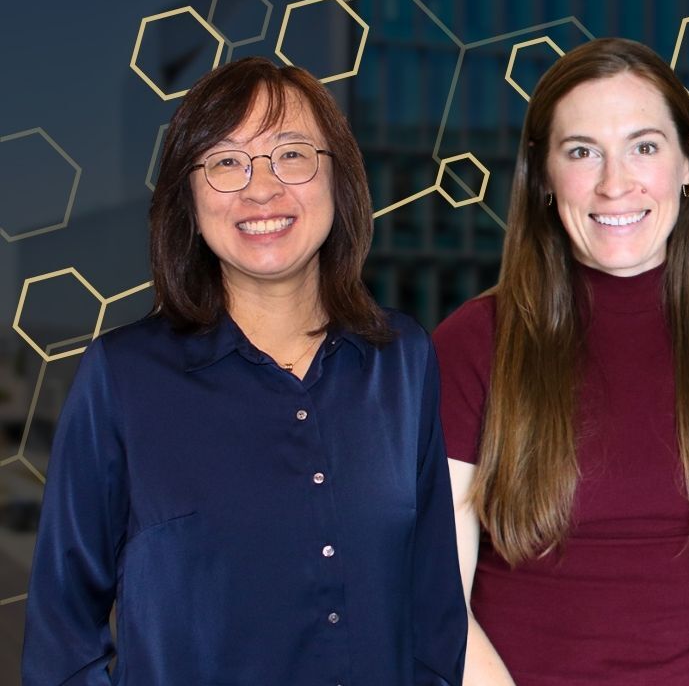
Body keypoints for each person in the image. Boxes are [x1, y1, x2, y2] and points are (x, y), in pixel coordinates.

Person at [22, 57, 467, 684]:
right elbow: (62, 638)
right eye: (226, 161)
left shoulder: (402, 360)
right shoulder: (122, 378)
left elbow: (434, 607)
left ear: (340, 179)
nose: (261, 189)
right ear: (189, 196)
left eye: (291, 154)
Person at [433, 37, 689, 685]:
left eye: (644, 146)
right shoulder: (472, 344)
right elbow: (440, 599)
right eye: (583, 152)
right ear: (545, 177)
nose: (616, 184)